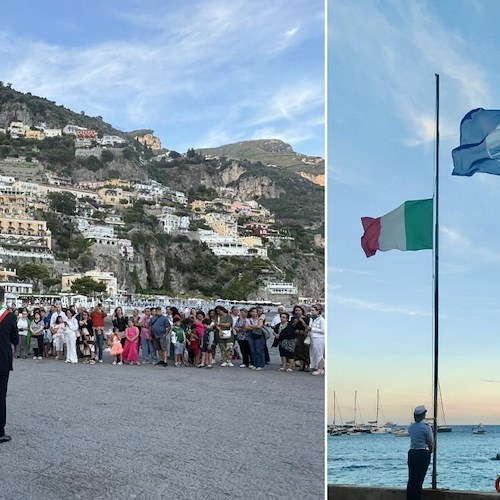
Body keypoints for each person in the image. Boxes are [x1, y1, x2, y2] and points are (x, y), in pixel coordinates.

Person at [0, 287, 18, 443]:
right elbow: (15, 339)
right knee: (0, 396)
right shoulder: (9, 316)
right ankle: (0, 431)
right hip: (2, 361)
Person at [407, 405, 433, 500]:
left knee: (412, 479)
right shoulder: (426, 427)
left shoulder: (411, 427)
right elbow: (430, 442)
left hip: (412, 452)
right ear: (423, 415)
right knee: (419, 480)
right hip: (422, 453)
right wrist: (431, 451)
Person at [309, 305, 325, 376]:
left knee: (319, 353)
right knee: (314, 352)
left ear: (318, 311)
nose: (311, 312)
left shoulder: (322, 320)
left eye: (313, 310)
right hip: (313, 337)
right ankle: (315, 366)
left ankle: (320, 368)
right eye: (311, 310)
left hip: (319, 338)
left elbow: (323, 330)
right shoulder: (312, 319)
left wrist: (312, 329)